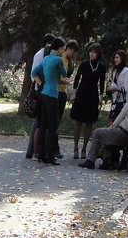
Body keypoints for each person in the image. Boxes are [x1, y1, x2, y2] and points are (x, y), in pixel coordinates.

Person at [29, 37, 68, 165]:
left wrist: (41, 83)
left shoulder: (46, 59)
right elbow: (64, 73)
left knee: (43, 125)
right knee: (52, 126)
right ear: (59, 48)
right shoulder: (58, 60)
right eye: (63, 47)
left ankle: (40, 154)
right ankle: (50, 156)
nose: (64, 50)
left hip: (43, 94)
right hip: (52, 96)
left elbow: (34, 72)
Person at [69, 43, 107, 159]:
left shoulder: (102, 67)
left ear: (98, 54)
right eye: (90, 51)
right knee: (78, 122)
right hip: (82, 93)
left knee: (89, 123)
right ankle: (75, 147)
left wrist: (101, 96)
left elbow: (102, 83)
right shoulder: (84, 64)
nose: (92, 54)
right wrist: (74, 92)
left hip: (93, 95)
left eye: (94, 52)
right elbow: (76, 79)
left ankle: (84, 148)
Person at [24, 33, 58, 160]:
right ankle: (33, 151)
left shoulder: (48, 56)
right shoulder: (40, 55)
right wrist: (41, 84)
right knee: (38, 123)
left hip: (45, 91)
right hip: (40, 91)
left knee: (41, 123)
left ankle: (36, 151)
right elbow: (34, 74)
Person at [105, 51, 128, 122]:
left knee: (120, 122)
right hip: (116, 100)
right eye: (114, 57)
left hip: (125, 101)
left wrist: (114, 88)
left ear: (122, 59)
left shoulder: (127, 71)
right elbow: (115, 84)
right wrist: (110, 89)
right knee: (112, 120)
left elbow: (125, 89)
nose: (115, 59)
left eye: (117, 57)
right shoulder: (115, 70)